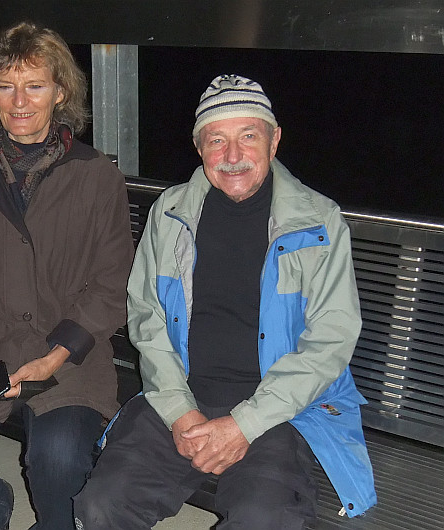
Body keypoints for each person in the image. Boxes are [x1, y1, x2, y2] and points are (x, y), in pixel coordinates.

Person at [74, 74, 377, 529]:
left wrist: (243, 425)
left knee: (265, 518)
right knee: (101, 504)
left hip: (276, 408)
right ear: (199, 148)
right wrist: (179, 412)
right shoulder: (171, 213)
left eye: (248, 137)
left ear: (274, 142)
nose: (233, 157)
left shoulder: (318, 221)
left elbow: (332, 340)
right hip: (179, 396)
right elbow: (146, 315)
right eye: (217, 140)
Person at [0, 21, 133, 530]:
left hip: (70, 353)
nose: (19, 101)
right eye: (6, 85)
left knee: (58, 462)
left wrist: (56, 354)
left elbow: (112, 280)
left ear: (60, 93)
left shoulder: (96, 176)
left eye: (34, 85)